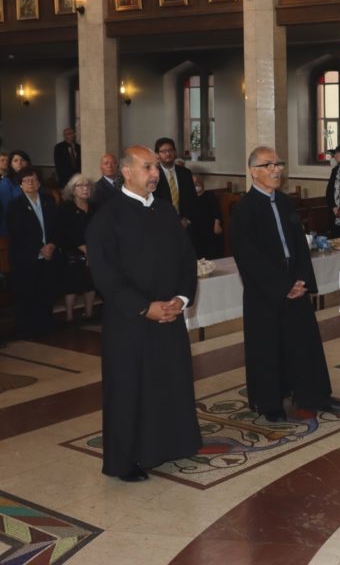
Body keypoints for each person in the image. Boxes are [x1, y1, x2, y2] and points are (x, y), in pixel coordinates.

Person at [86, 146, 201, 482]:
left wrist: (179, 298)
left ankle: (168, 445)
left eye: (155, 167)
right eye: (147, 167)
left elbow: (186, 259)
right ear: (126, 171)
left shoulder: (165, 212)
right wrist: (143, 307)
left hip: (169, 316)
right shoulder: (107, 217)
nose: (154, 173)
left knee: (168, 382)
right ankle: (126, 460)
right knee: (129, 390)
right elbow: (105, 274)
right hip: (130, 322)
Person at [231, 146, 340, 422]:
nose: (276, 169)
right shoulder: (243, 210)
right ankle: (269, 402)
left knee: (304, 342)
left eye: (279, 163)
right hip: (266, 289)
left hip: (295, 281)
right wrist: (283, 285)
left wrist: (302, 281)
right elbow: (249, 258)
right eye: (269, 165)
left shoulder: (284, 203)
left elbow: (298, 244)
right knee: (267, 345)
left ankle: (315, 395)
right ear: (254, 172)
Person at [6, 166, 58, 338]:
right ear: (20, 185)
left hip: (48, 255)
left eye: (33, 179)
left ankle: (45, 327)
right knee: (28, 294)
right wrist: (38, 248)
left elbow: (57, 226)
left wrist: (51, 245)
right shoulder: (15, 206)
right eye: (26, 180)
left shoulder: (48, 200)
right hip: (26, 257)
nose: (30, 183)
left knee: (46, 292)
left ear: (39, 182)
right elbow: (17, 233)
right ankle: (27, 330)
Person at [56, 174, 96, 323]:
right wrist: (83, 248)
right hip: (71, 251)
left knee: (91, 283)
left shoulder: (95, 207)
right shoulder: (65, 208)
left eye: (88, 186)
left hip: (92, 248)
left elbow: (99, 230)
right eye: (81, 186)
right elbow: (64, 231)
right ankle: (69, 316)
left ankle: (89, 313)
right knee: (71, 283)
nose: (85, 189)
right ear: (73, 190)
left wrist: (91, 248)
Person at [153, 137, 197, 229]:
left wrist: (187, 219)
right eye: (163, 151)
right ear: (157, 154)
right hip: (162, 224)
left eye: (170, 150)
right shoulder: (153, 174)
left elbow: (193, 198)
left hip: (184, 224)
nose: (168, 154)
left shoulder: (185, 173)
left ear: (175, 152)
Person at [190, 174, 224, 259]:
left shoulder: (210, 196)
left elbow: (217, 212)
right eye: (193, 183)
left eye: (197, 183)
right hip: (194, 230)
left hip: (209, 229)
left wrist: (217, 224)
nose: (196, 185)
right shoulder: (189, 197)